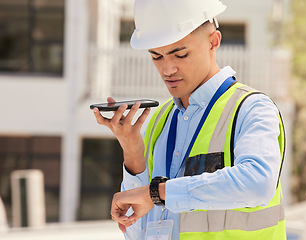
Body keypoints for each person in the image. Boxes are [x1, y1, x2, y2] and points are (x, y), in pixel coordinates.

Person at [93, 0, 286, 239]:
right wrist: (132, 153)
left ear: (213, 41)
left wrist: (158, 192)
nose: (167, 69)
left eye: (180, 54)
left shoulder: (251, 108)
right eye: (156, 57)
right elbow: (137, 233)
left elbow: (257, 183)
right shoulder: (158, 122)